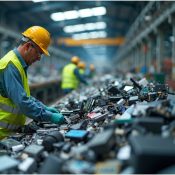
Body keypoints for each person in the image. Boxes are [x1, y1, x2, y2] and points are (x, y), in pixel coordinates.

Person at [0, 26, 64, 140]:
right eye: (39, 52)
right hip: (2, 134)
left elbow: (24, 96)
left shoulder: (19, 65)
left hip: (10, 131)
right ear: (28, 46)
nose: (39, 58)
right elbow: (23, 102)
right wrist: (49, 116)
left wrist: (44, 108)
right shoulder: (11, 65)